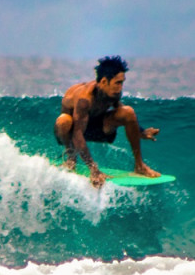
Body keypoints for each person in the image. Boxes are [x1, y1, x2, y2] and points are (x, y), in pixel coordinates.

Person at [54, 55, 160, 187]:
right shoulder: (84, 100)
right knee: (64, 121)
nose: (121, 87)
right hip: (73, 132)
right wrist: (94, 170)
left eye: (122, 82)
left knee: (128, 111)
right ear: (104, 82)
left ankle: (139, 166)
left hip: (98, 128)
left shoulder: (113, 92)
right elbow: (77, 134)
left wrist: (141, 131)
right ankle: (71, 159)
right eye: (118, 83)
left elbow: (123, 113)